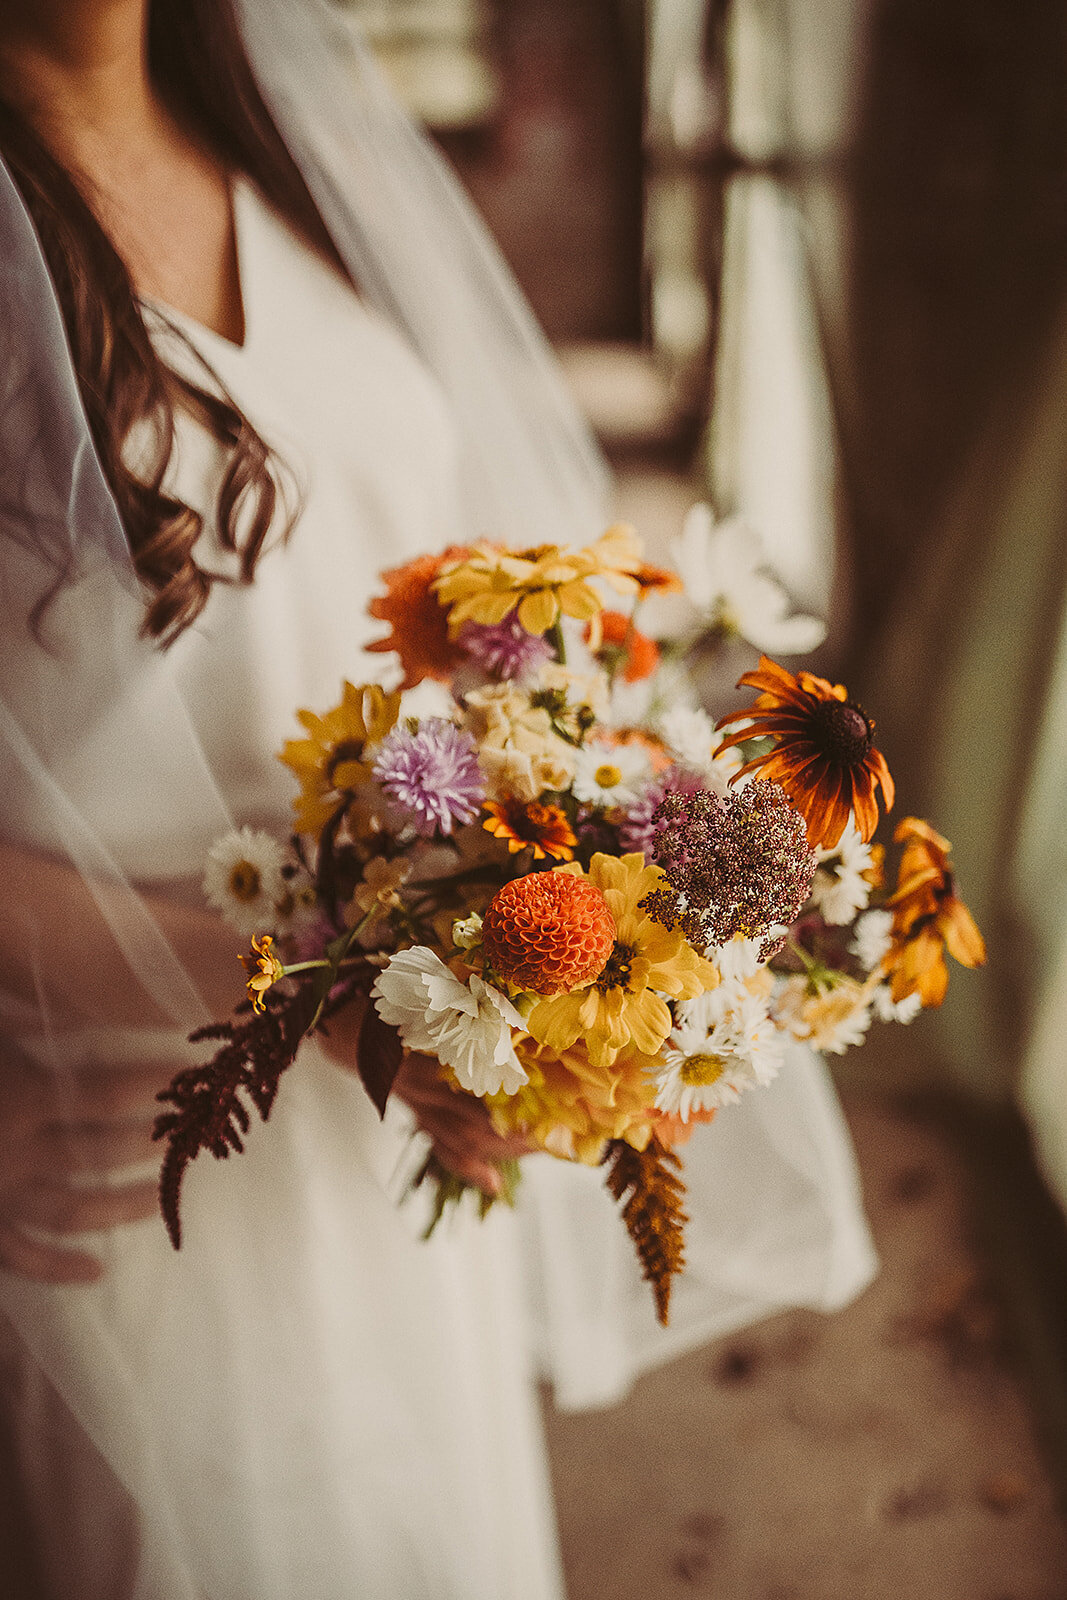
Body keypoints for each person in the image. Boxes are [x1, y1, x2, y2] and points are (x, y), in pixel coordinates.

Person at [0, 2, 877, 1595]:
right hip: (123, 1152)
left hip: (386, 1095)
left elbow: (464, 593)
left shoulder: (285, 145)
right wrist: (337, 990)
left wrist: (586, 903)